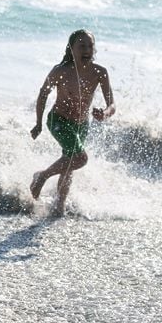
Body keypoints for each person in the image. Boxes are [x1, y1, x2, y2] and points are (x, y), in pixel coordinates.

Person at [29, 29, 115, 216]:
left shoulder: (100, 72)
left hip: (81, 125)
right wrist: (38, 123)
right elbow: (43, 94)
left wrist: (105, 113)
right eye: (81, 46)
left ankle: (58, 206)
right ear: (71, 49)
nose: (86, 50)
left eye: (90, 46)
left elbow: (112, 105)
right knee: (80, 158)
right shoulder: (61, 71)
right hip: (58, 120)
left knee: (69, 164)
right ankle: (41, 176)